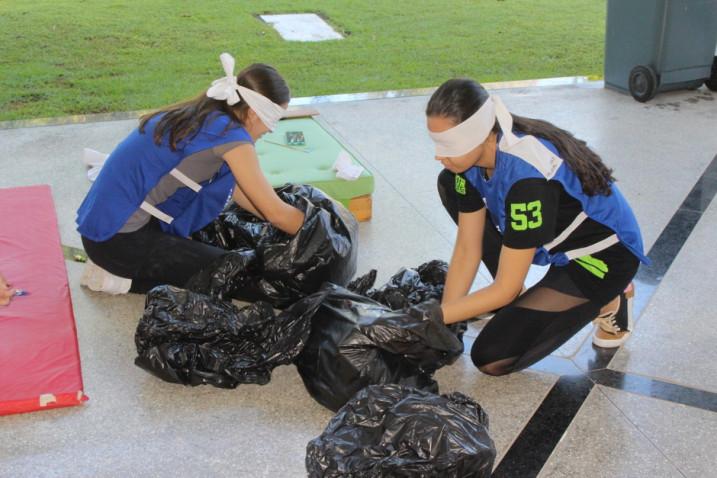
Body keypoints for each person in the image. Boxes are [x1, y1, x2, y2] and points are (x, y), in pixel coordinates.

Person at [426, 78, 648, 376]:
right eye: (436, 143)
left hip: (602, 258)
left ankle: (613, 297)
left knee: (491, 357)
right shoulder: (465, 166)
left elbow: (504, 289)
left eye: (448, 144)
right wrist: (445, 322)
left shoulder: (527, 178)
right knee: (449, 183)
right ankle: (520, 295)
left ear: (481, 134)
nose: (439, 155)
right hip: (555, 243)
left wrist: (427, 318)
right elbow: (468, 246)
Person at [76, 53, 304, 294]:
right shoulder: (233, 140)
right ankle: (117, 279)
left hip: (104, 228)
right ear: (255, 114)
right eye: (273, 120)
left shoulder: (208, 114)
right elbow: (276, 213)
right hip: (118, 242)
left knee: (212, 264)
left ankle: (125, 275)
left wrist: (281, 218)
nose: (271, 130)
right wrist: (319, 232)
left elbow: (245, 193)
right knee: (243, 277)